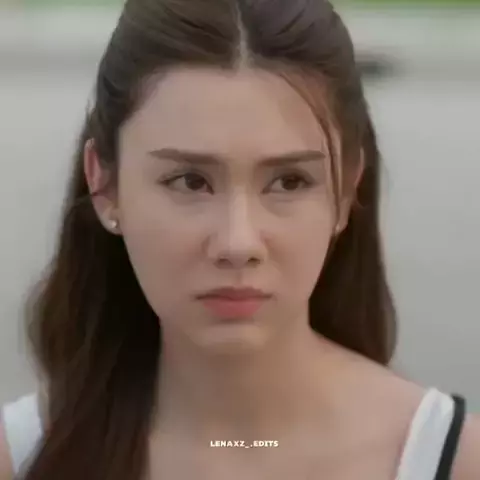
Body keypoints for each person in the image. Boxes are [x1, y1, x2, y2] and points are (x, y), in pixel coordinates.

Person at [0, 0, 478, 479]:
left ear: (346, 189)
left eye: (289, 181)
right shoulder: (23, 457)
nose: (238, 243)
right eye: (190, 181)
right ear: (104, 185)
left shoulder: (451, 461)